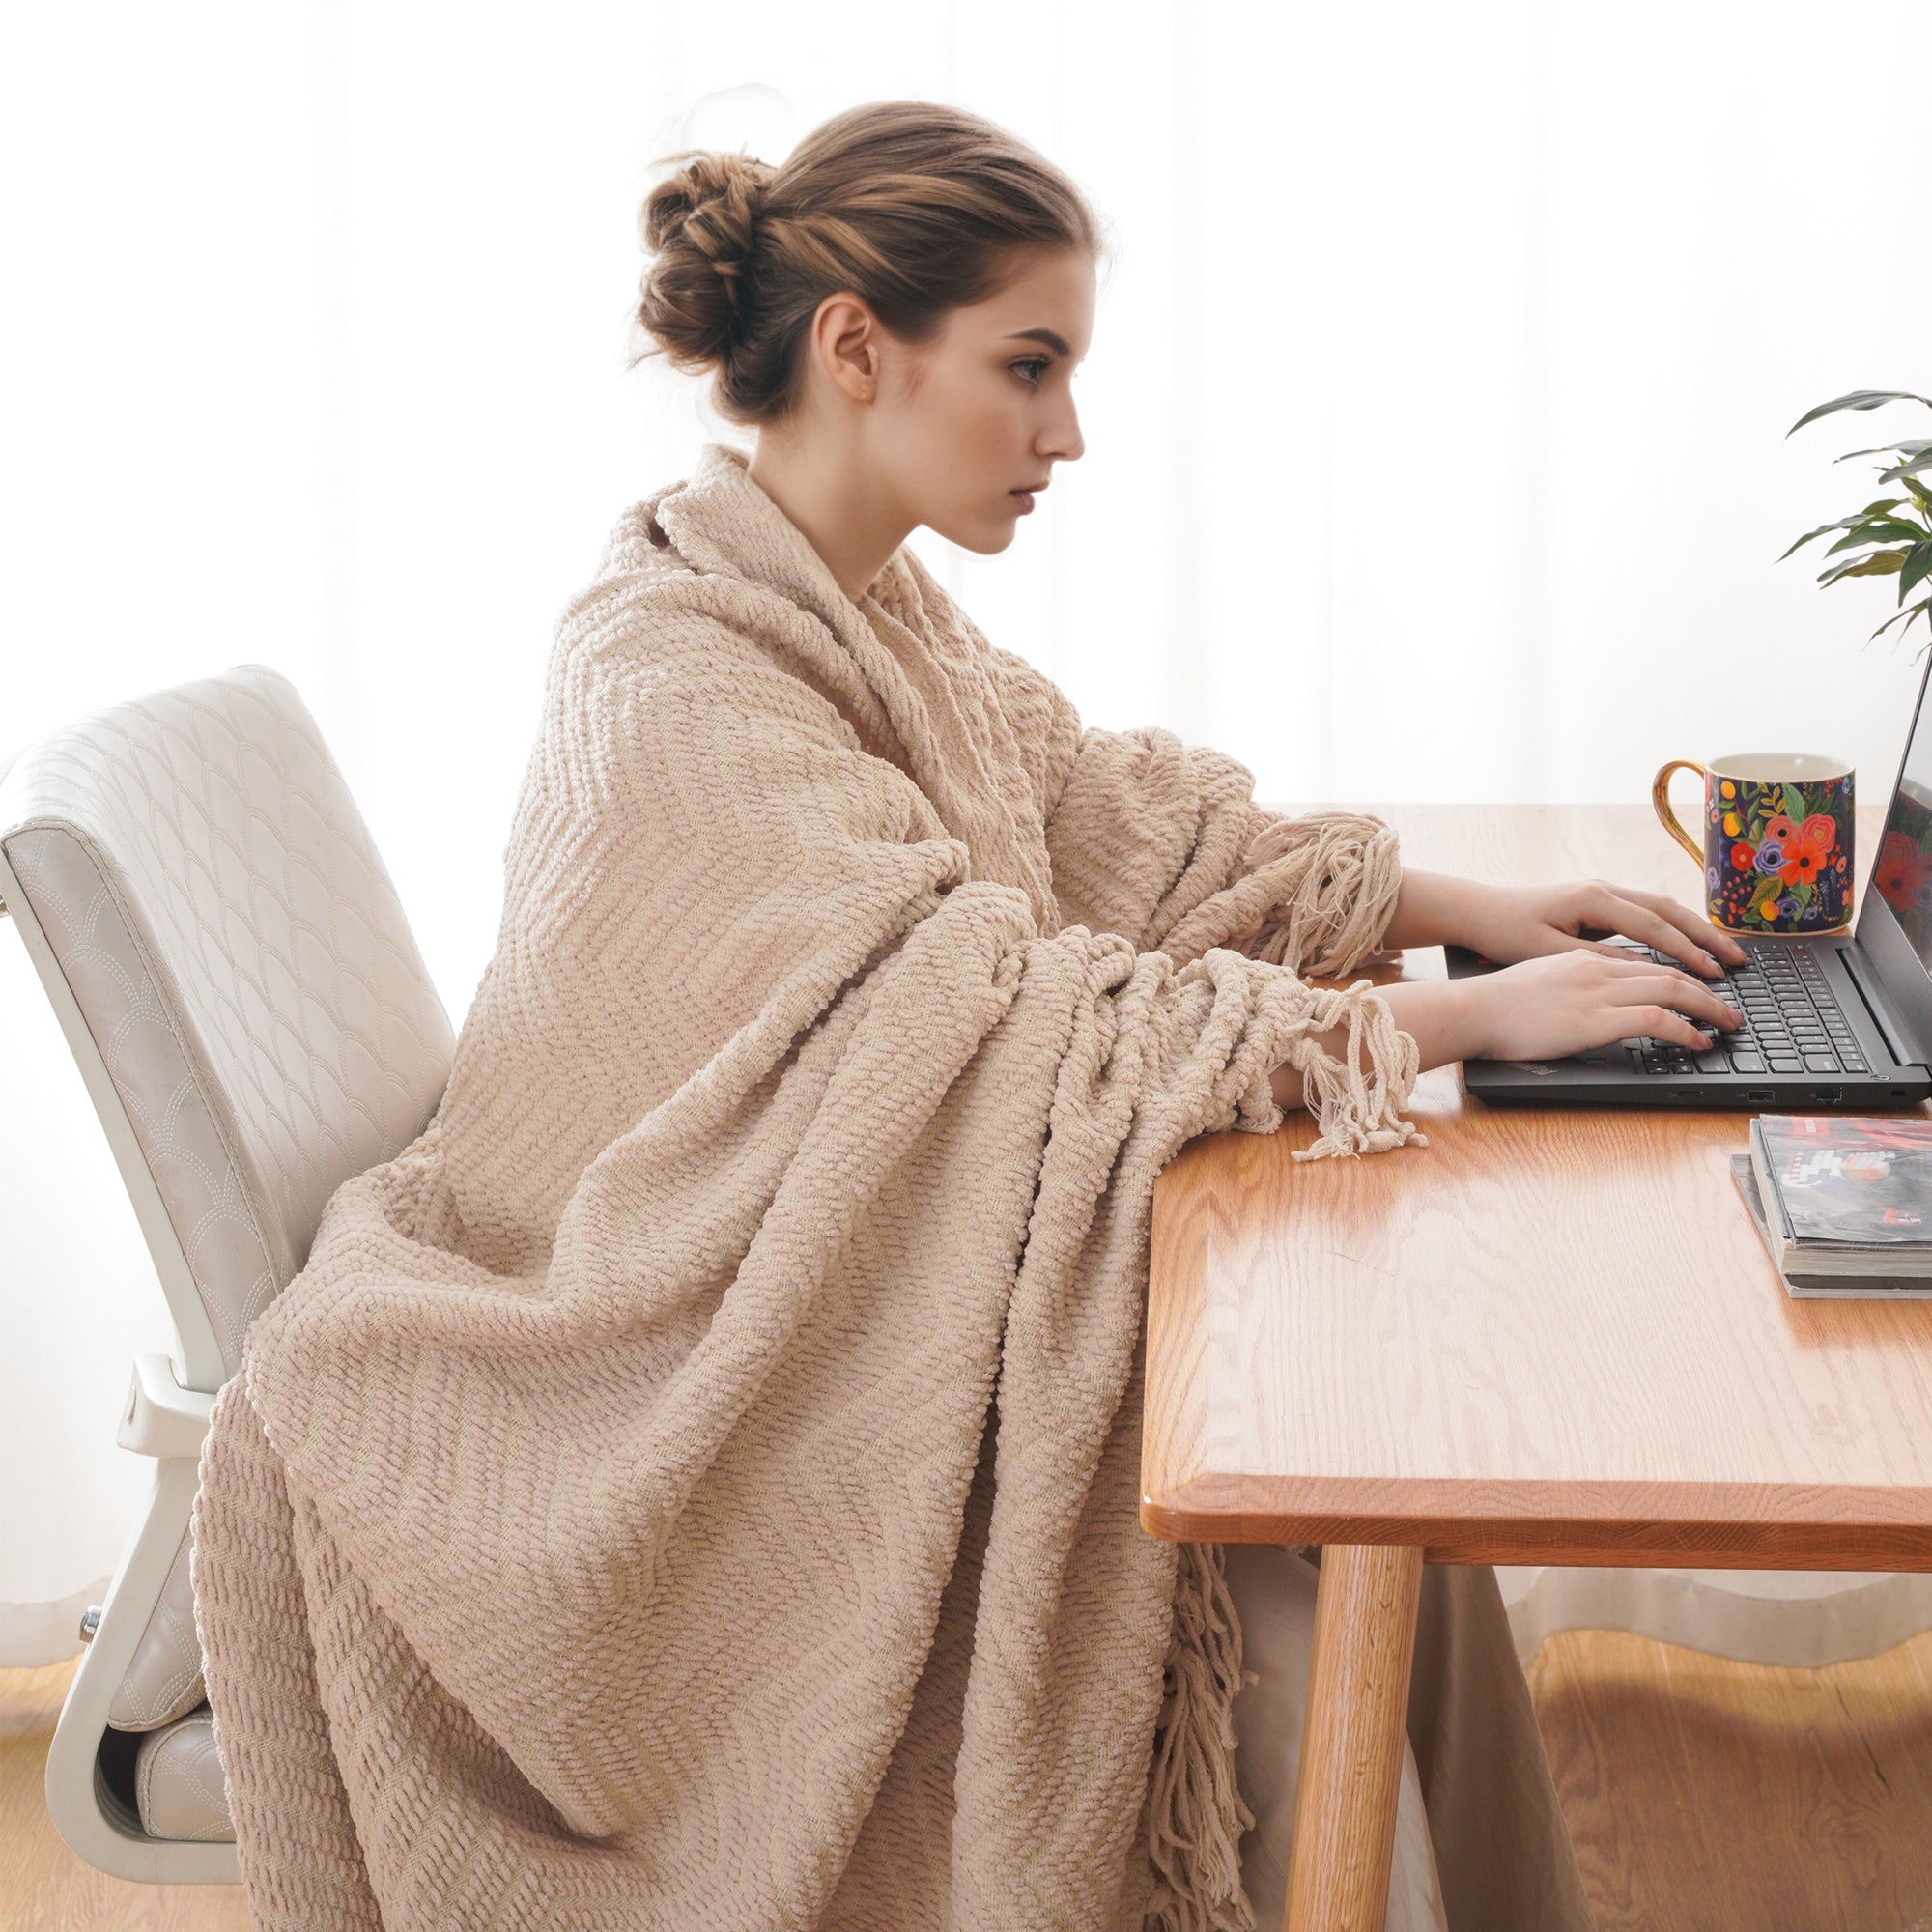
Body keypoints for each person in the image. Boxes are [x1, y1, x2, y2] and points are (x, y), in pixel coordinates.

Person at [192, 99, 1747, 1932]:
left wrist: (1472, 916)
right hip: (613, 1391)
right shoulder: (675, 669)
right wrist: (1473, 1030)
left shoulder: (854, 601)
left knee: (1381, 1521)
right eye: (1029, 367)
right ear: (859, 349)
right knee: (1309, 1563)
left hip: (772, 1305)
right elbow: (1014, 1018)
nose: (1067, 432)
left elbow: (1104, 820)